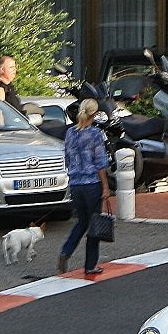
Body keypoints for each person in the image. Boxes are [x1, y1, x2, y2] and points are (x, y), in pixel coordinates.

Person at [57, 101, 114, 277]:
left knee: (82, 221)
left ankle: (66, 251)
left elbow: (67, 156)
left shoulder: (70, 133)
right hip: (92, 184)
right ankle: (90, 265)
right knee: (93, 224)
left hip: (76, 184)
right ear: (94, 114)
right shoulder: (96, 134)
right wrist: (105, 187)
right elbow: (100, 163)